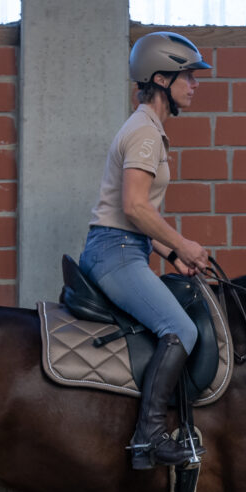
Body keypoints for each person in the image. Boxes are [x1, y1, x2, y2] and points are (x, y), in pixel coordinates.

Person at [78, 30, 217, 469]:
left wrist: (171, 254)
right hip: (116, 251)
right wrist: (184, 244)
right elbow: (134, 207)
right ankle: (150, 437)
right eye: (187, 77)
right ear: (161, 79)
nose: (194, 85)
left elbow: (136, 218)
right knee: (182, 329)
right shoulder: (144, 135)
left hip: (126, 246)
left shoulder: (146, 128)